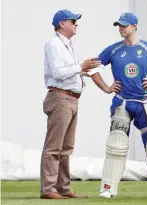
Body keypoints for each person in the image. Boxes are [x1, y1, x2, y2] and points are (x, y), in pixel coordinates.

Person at [91, 12, 147, 199]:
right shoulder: (113, 50)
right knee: (116, 144)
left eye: (124, 25)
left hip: (145, 103)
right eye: (119, 25)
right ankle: (108, 189)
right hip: (122, 102)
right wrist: (106, 88)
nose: (121, 28)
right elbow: (92, 68)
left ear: (134, 26)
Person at [40, 9, 101, 199]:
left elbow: (69, 71)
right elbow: (58, 73)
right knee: (54, 147)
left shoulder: (66, 45)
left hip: (71, 99)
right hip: (60, 98)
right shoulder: (54, 44)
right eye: (73, 21)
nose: (76, 24)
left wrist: (83, 71)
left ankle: (63, 188)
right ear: (62, 23)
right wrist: (81, 67)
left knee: (66, 148)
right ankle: (49, 189)